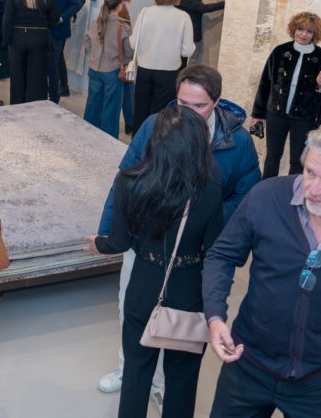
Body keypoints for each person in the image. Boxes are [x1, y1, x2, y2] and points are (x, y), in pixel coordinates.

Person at [203, 127, 321, 416]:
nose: (313, 189)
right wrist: (215, 316)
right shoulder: (266, 197)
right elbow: (221, 255)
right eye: (309, 172)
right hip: (247, 365)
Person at [95, 65, 261, 401]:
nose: (188, 112)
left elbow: (247, 196)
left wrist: (202, 215)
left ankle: (160, 386)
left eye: (198, 106)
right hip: (146, 246)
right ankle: (129, 370)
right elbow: (124, 178)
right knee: (132, 316)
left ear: (216, 102)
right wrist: (108, 231)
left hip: (195, 257)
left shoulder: (238, 141)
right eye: (182, 103)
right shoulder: (155, 126)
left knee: (180, 340)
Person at [86, 106, 224, 418]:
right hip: (190, 289)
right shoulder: (210, 190)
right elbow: (215, 249)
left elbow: (119, 243)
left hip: (145, 284)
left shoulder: (129, 182)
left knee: (136, 372)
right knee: (182, 378)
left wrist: (98, 243)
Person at [251, 12, 321, 177]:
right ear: (293, 29)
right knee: (272, 157)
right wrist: (258, 114)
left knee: (298, 161)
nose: (303, 34)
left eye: (309, 31)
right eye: (300, 29)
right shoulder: (280, 51)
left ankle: (293, 191)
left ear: (315, 34)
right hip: (275, 114)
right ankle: (267, 188)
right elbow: (265, 83)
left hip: (304, 118)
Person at [129, 0, 194, 134]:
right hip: (168, 72)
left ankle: (138, 144)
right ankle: (157, 146)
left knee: (140, 112)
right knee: (161, 116)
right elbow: (187, 51)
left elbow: (133, 43)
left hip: (144, 69)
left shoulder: (145, 12)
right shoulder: (183, 17)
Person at [2, 0, 59, 104]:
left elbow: (7, 19)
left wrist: (6, 41)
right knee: (37, 78)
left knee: (17, 78)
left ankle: (17, 106)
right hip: (39, 39)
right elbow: (54, 20)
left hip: (18, 38)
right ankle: (34, 108)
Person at [83, 0, 133, 138]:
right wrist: (126, 62)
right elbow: (128, 51)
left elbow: (87, 42)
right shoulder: (123, 26)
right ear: (120, 6)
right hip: (113, 71)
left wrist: (93, 55)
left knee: (92, 105)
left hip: (94, 69)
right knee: (111, 109)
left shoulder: (96, 23)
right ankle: (108, 141)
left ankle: (88, 136)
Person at [39, 0, 83, 104]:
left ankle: (54, 98)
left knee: (53, 64)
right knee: (39, 64)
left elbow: (75, 3)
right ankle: (40, 96)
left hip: (58, 31)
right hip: (38, 31)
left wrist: (62, 18)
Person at [173, 0, 224, 66]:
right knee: (180, 63)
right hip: (181, 34)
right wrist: (224, 4)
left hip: (189, 32)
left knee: (184, 62)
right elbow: (202, 8)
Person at [112, 0, 138, 134]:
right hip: (122, 55)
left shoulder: (113, 4)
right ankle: (130, 123)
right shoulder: (120, 8)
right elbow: (123, 35)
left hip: (116, 55)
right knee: (128, 90)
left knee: (127, 90)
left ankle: (130, 122)